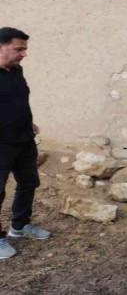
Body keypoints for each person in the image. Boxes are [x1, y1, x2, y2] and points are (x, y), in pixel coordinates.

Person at [0, 27, 51, 259]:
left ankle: (19, 226)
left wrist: (28, 122)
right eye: (18, 49)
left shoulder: (16, 71)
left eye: (25, 49)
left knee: (29, 182)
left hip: (23, 139)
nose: (24, 54)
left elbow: (17, 100)